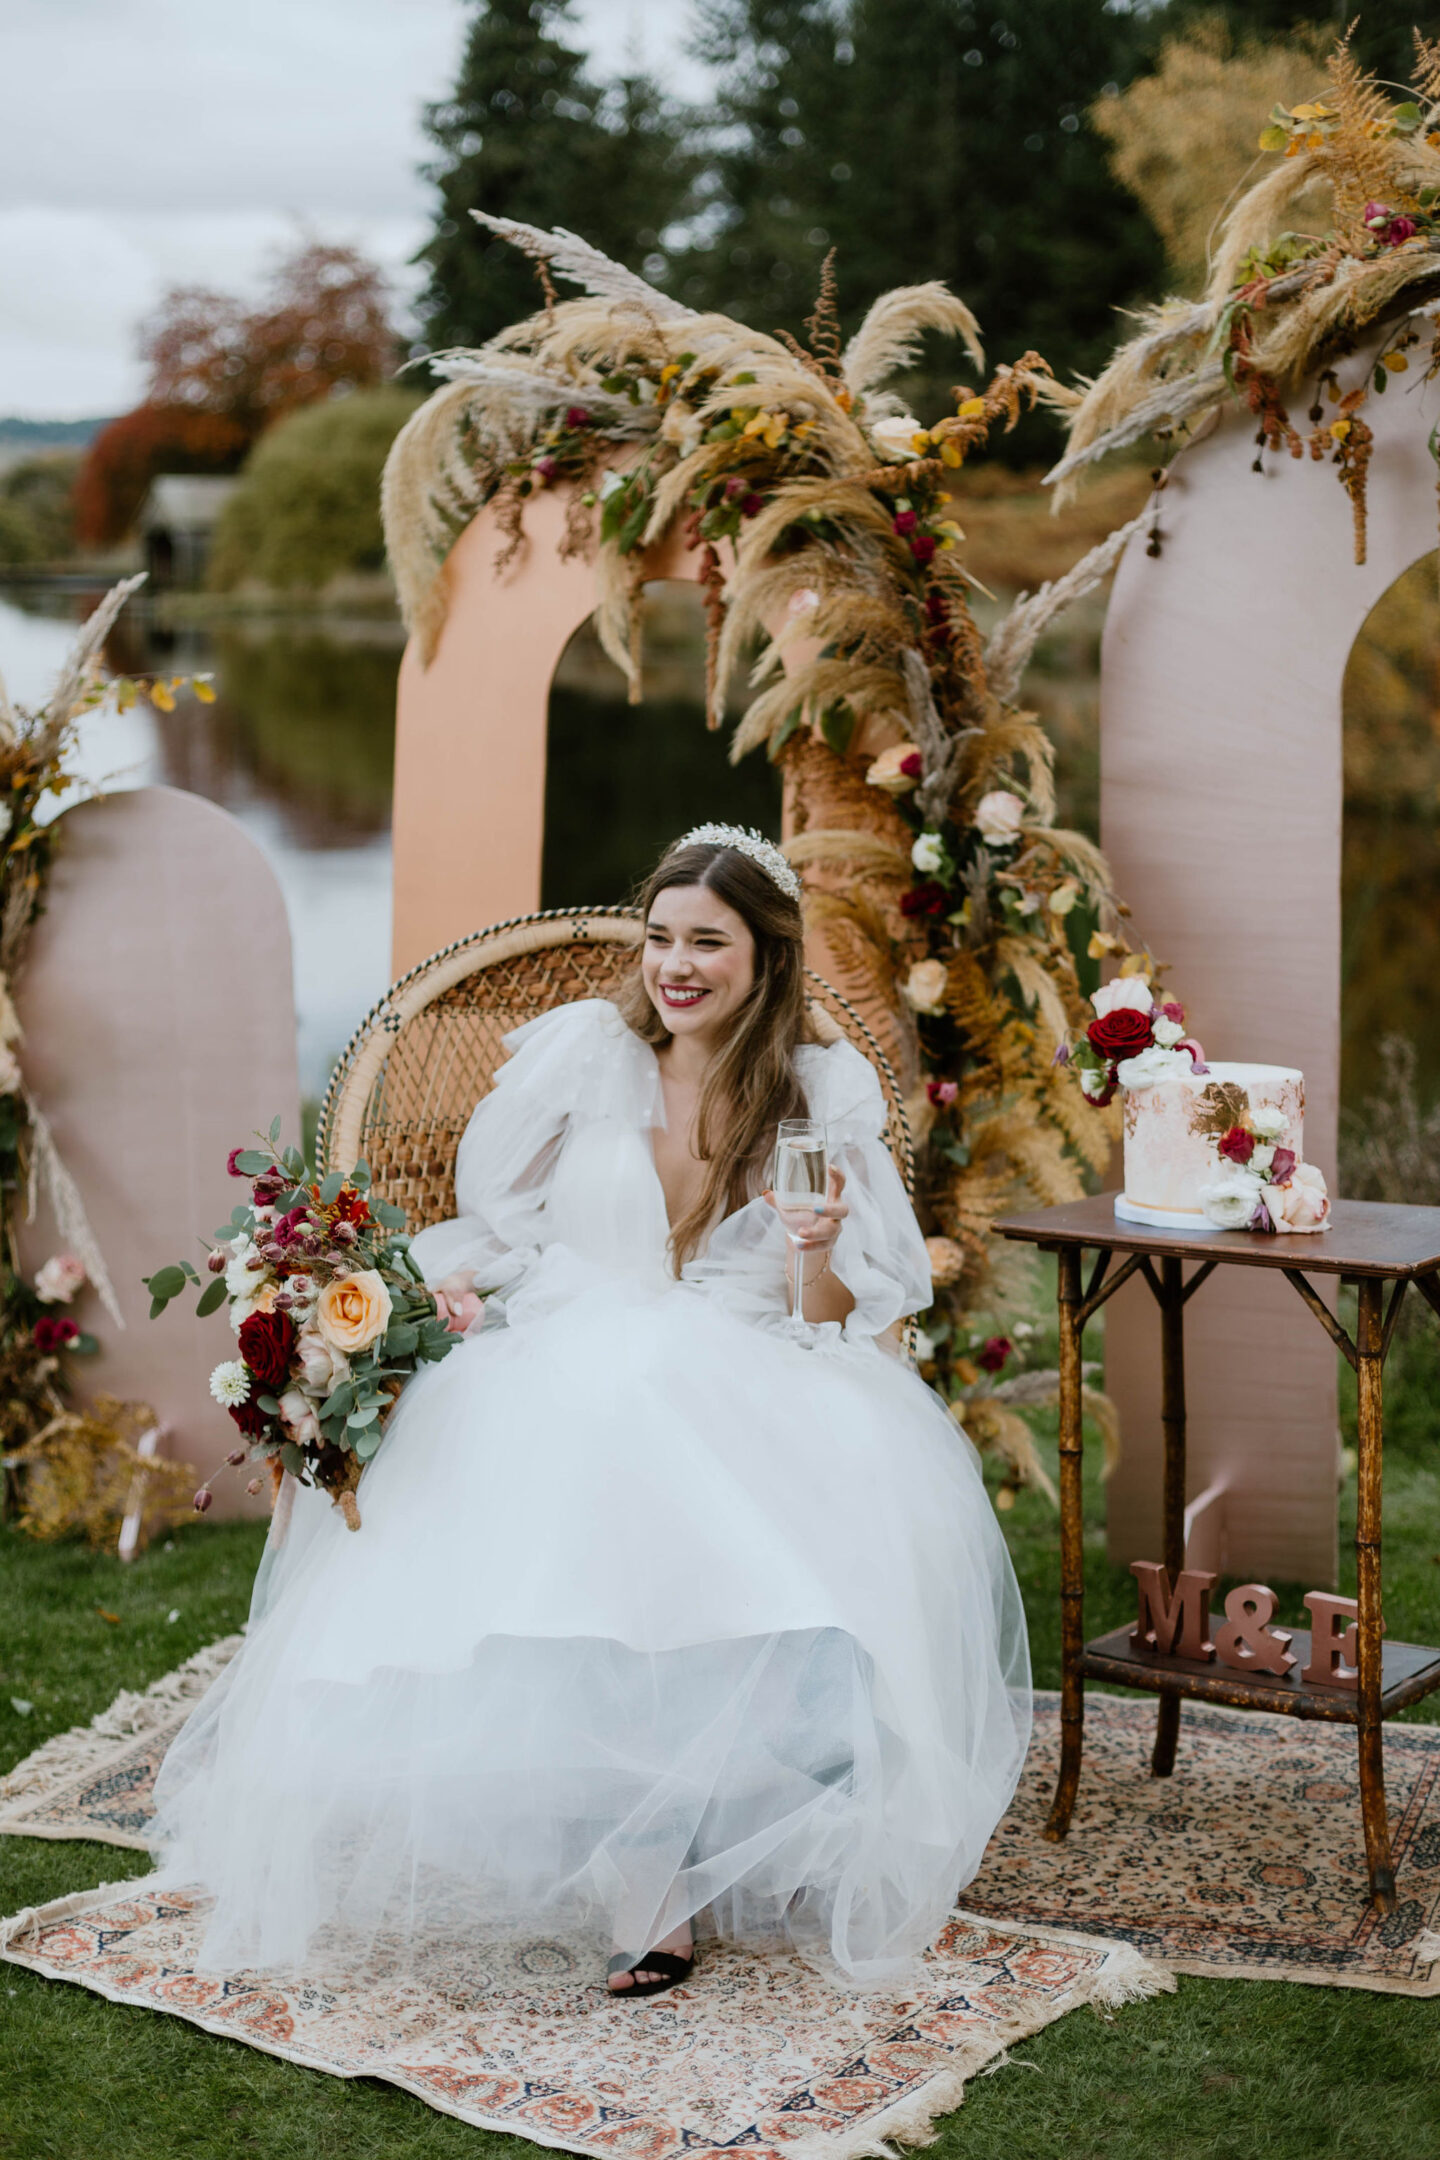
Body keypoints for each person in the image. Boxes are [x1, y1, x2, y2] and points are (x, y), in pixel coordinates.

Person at [149, 826, 1030, 1999]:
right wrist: (444, 1305)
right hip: (574, 1339)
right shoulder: (587, 1054)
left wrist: (813, 1247)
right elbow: (498, 1229)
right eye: (662, 936)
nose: (676, 965)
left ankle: (693, 1834)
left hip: (750, 1358)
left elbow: (833, 1313)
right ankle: (646, 1869)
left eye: (708, 942)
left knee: (689, 1445)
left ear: (766, 958)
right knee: (604, 1424)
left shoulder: (820, 1093)